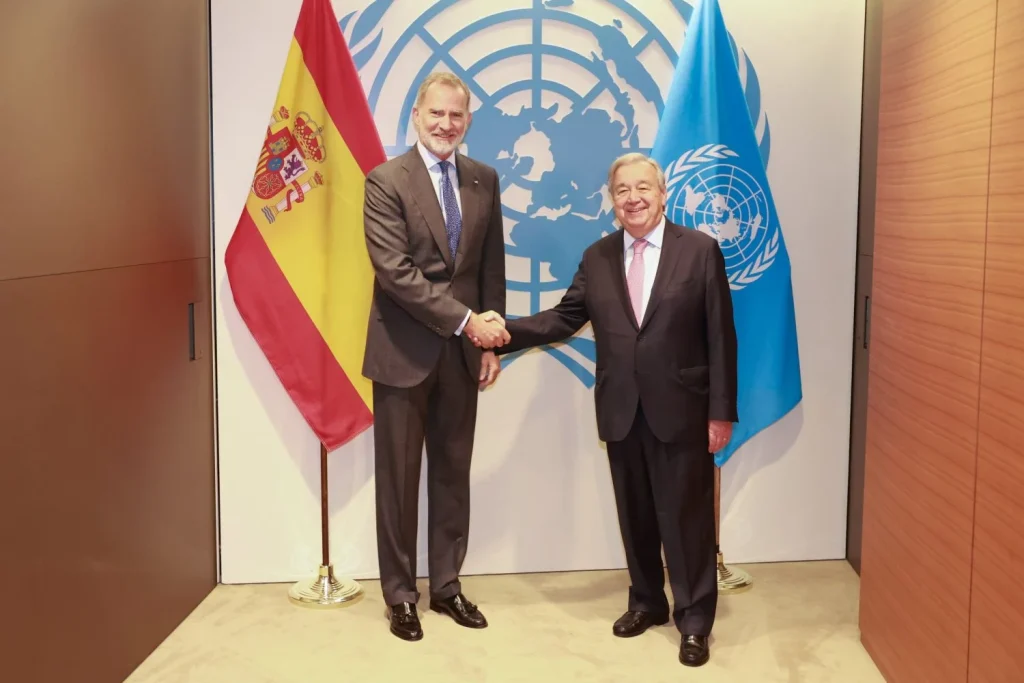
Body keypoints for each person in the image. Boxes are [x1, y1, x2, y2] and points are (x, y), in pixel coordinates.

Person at [482, 153, 738, 667]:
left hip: (683, 409)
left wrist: (720, 412)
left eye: (643, 187)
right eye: (622, 190)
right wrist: (501, 331)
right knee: (635, 514)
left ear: (662, 193)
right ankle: (647, 602)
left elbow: (721, 335)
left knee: (687, 520)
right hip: (622, 407)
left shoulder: (699, 250)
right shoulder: (598, 256)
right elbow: (564, 318)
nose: (633, 198)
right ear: (612, 200)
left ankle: (694, 621)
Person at [361, 71, 510, 642]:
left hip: (463, 356)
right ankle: (401, 596)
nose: (446, 124)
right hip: (402, 352)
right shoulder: (385, 180)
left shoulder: (484, 179)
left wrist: (490, 339)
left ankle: (446, 586)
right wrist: (468, 322)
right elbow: (395, 274)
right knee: (399, 481)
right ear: (416, 116)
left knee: (452, 474)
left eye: (456, 115)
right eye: (436, 114)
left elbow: (489, 268)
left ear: (467, 120)